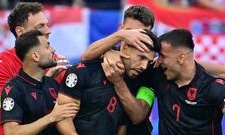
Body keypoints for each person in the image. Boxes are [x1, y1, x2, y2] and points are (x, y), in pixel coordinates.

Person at [91, 29, 225, 135]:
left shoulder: (212, 87)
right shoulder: (157, 74)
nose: (158, 61)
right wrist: (109, 52)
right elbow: (87, 56)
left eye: (163, 56)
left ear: (181, 58)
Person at [56, 29, 159, 135]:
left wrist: (118, 82)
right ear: (124, 48)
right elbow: (63, 118)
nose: (144, 66)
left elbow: (128, 121)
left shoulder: (142, 79)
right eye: (141, 57)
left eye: (149, 61)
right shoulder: (82, 71)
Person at [0, 2, 66, 135]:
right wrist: (46, 81)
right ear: (20, 31)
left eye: (46, 24)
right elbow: (15, 111)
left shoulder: (54, 60)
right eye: (40, 26)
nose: (48, 30)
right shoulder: (0, 64)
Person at [81, 5, 158, 135]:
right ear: (121, 28)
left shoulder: (149, 69)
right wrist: (117, 40)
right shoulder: (105, 51)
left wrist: (118, 82)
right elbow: (85, 56)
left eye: (141, 34)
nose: (132, 38)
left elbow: (138, 115)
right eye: (129, 32)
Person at [0, 30, 78, 135]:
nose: (53, 50)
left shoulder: (52, 83)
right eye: (47, 46)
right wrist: (51, 117)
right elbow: (11, 132)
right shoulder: (13, 89)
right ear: (35, 56)